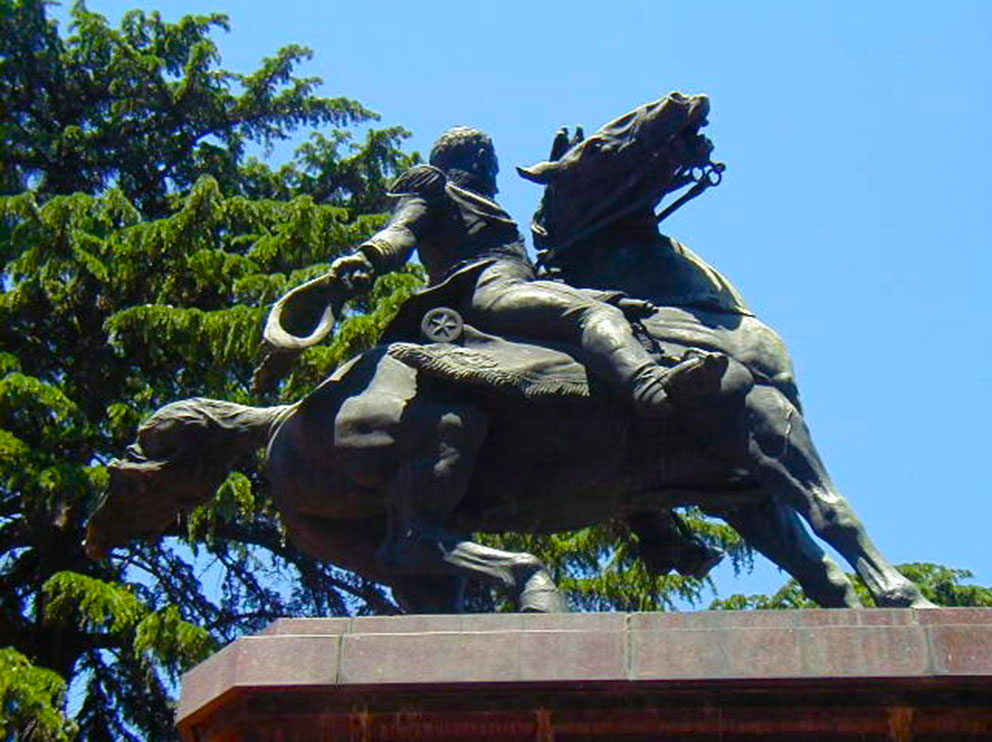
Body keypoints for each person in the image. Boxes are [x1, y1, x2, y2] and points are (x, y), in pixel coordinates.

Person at [332, 126, 728, 417]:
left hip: (514, 283)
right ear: (479, 160)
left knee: (611, 328)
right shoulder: (434, 188)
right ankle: (649, 385)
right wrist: (368, 257)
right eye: (493, 164)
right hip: (487, 290)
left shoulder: (479, 202)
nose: (495, 175)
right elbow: (401, 231)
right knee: (595, 314)